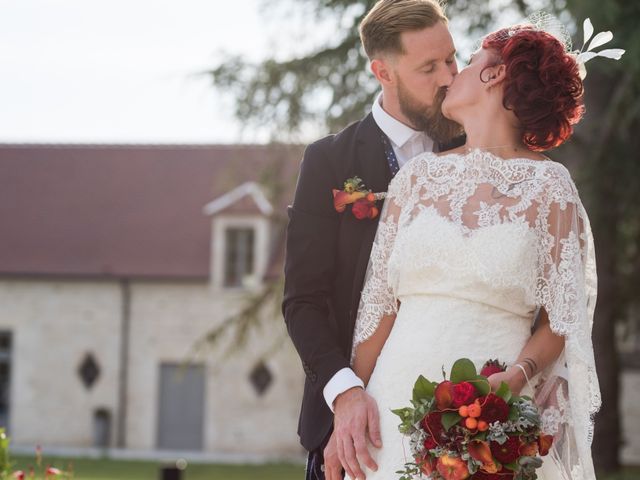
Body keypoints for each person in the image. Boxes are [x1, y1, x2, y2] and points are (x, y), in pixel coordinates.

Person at [346, 23, 601, 480]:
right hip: (392, 402)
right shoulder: (415, 179)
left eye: (466, 63)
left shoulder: (551, 188)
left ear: (494, 75)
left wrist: (519, 376)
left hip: (492, 412)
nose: (450, 75)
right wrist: (349, 406)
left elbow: (562, 319)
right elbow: (377, 309)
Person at [282, 1, 464, 479]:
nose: (449, 76)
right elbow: (303, 300)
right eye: (429, 67)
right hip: (357, 427)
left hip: (461, 410)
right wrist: (345, 393)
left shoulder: (477, 148)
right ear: (382, 71)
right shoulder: (328, 161)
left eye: (451, 59)